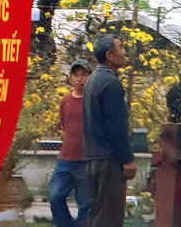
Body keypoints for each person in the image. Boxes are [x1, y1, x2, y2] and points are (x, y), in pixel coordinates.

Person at [85, 35, 136, 227]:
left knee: (96, 214)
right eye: (120, 47)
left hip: (93, 157)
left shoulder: (92, 80)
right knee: (109, 217)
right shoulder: (110, 83)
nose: (124, 52)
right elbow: (116, 126)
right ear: (109, 55)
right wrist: (127, 159)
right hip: (109, 160)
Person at [50, 60, 92, 227]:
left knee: (85, 204)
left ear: (89, 77)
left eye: (83, 75)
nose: (79, 79)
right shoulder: (65, 101)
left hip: (86, 160)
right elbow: (64, 124)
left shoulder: (94, 101)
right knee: (55, 197)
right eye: (76, 75)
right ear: (71, 77)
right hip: (65, 160)